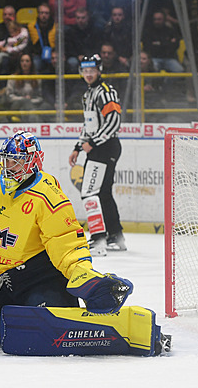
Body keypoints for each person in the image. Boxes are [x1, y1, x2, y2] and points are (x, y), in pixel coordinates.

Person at [0, 132, 134, 351]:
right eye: (6, 159)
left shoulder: (47, 196)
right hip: (3, 276)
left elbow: (65, 242)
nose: (8, 166)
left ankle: (57, 301)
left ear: (33, 162)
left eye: (16, 162)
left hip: (40, 276)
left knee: (39, 329)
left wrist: (84, 278)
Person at [68, 54, 126, 257]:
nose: (88, 74)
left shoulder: (105, 92)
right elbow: (89, 124)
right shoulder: (88, 94)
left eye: (92, 70)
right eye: (85, 70)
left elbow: (114, 121)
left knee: (89, 191)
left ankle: (98, 238)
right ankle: (116, 236)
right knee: (103, 192)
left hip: (105, 147)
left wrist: (92, 143)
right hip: (102, 147)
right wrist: (78, 146)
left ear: (99, 70)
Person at [4, 53, 47, 122]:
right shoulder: (13, 78)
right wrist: (23, 99)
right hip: (16, 105)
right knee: (28, 107)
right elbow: (9, 96)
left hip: (33, 105)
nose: (24, 63)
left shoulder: (37, 78)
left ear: (31, 63)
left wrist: (30, 101)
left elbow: (40, 97)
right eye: (22, 61)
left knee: (41, 108)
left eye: (27, 61)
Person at [64, 7, 102, 73]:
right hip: (76, 58)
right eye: (78, 18)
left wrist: (87, 56)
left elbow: (97, 47)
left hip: (91, 57)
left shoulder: (95, 31)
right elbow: (69, 48)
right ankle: (74, 82)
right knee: (72, 62)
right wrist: (77, 56)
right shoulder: (70, 32)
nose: (80, 20)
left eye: (83, 18)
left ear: (88, 18)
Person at [27, 2, 57, 73]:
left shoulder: (55, 26)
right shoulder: (31, 26)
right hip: (38, 54)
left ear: (50, 14)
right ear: (38, 14)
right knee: (35, 63)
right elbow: (29, 44)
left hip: (52, 53)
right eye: (41, 13)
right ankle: (37, 83)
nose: (44, 15)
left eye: (46, 13)